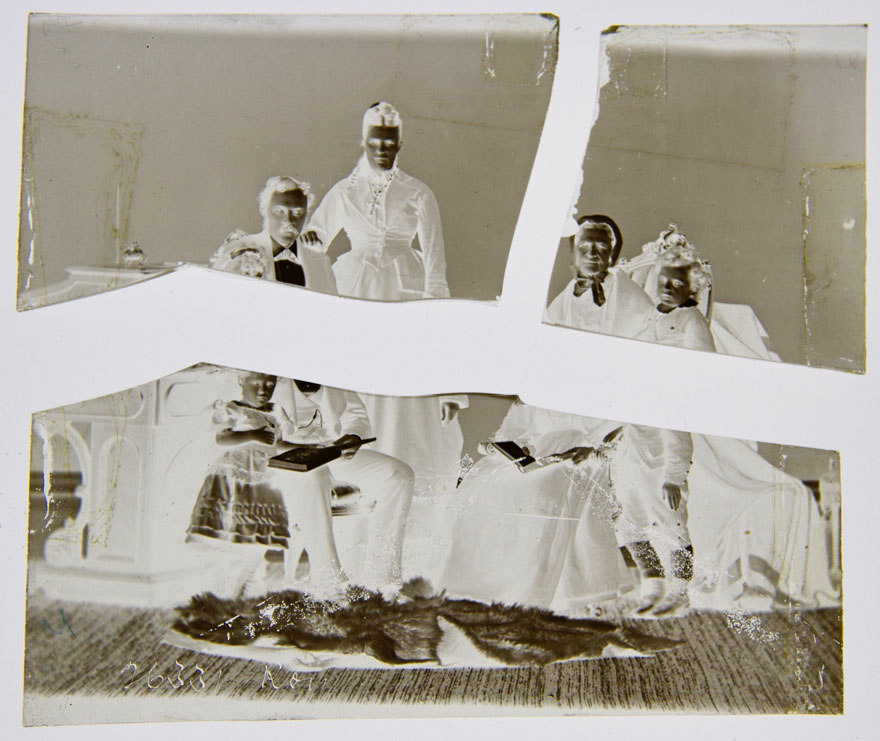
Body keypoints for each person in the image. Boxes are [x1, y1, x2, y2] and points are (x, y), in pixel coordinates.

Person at [301, 102, 466, 496]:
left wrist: (448, 380)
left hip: (404, 291)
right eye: (375, 142)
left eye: (389, 143)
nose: (381, 149)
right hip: (355, 288)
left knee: (403, 394)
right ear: (363, 142)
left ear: (399, 145)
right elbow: (314, 241)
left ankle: (401, 486)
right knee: (358, 384)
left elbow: (436, 269)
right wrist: (308, 244)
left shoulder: (419, 193)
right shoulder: (344, 192)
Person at [187, 370, 415, 599]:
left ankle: (384, 583)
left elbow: (356, 415)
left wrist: (353, 438)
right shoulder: (269, 375)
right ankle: (329, 580)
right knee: (316, 476)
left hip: (328, 453)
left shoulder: (332, 373)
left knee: (399, 475)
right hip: (275, 463)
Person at [435, 399, 632, 611]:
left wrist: (591, 448)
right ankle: (476, 586)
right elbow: (505, 435)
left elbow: (612, 436)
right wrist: (506, 448)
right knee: (484, 484)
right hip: (536, 455)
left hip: (576, 455)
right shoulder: (530, 397)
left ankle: (531, 594)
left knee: (545, 489)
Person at [208, 175, 336, 293]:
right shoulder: (239, 250)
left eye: (298, 213)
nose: (289, 220)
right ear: (263, 209)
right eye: (280, 211)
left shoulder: (321, 263)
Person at [544, 214, 655, 338]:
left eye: (601, 247)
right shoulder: (571, 291)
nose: (592, 253)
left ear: (612, 254)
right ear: (575, 252)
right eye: (584, 246)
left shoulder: (630, 298)